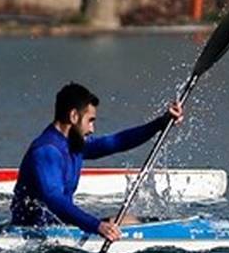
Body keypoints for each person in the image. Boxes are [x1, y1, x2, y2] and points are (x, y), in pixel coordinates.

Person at [11, 82, 184, 241]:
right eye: (90, 120)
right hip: (32, 233)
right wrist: (97, 226)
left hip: (61, 228)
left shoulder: (73, 144)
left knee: (131, 221)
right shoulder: (47, 151)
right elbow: (54, 199)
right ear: (73, 116)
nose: (92, 129)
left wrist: (161, 123)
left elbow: (117, 141)